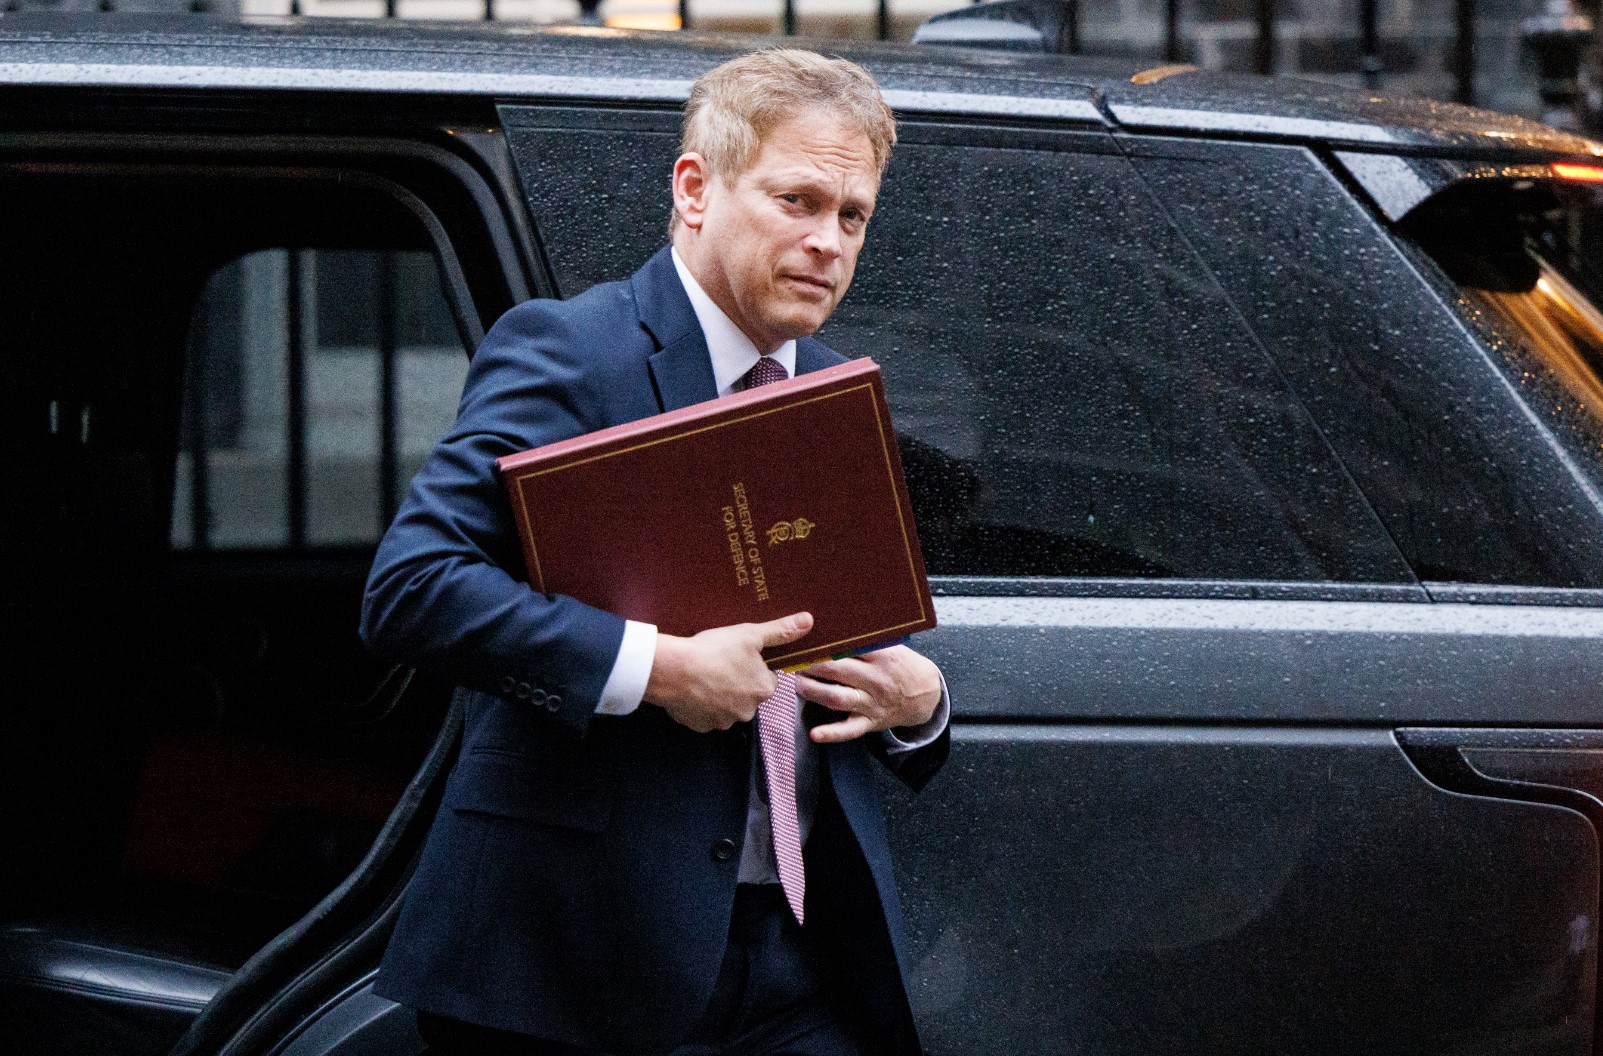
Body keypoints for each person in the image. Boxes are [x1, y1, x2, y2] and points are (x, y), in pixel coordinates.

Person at [360, 48, 950, 1056]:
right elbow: (413, 588)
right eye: (797, 201)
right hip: (573, 966)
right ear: (694, 189)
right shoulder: (569, 348)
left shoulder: (838, 386)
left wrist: (919, 703)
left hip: (803, 961)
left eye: (852, 216)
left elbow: (844, 616)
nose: (827, 241)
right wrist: (661, 670)